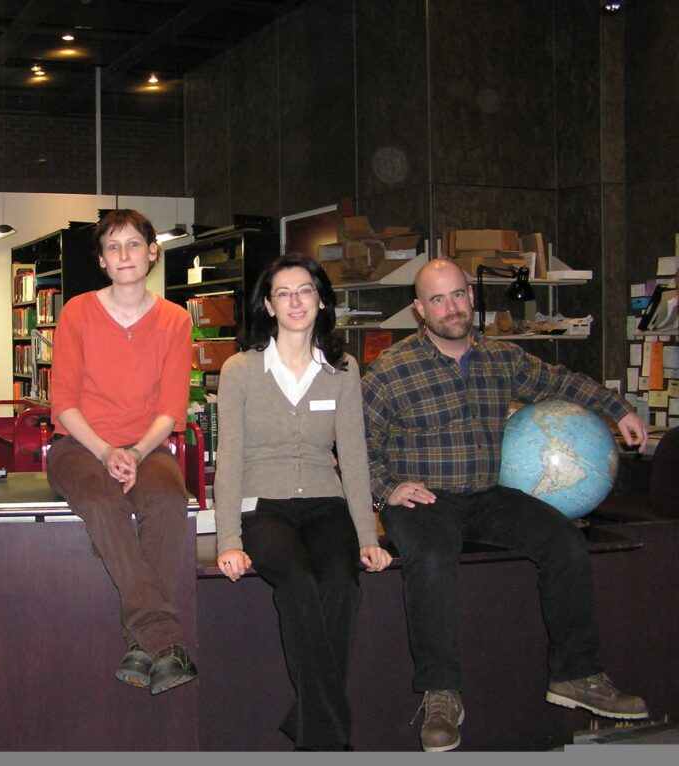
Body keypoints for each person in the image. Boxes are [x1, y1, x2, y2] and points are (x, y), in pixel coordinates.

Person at [360, 258, 649, 752]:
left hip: (486, 495)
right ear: (418, 310)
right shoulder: (391, 370)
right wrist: (387, 488)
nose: (450, 307)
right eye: (437, 299)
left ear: (471, 297)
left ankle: (577, 675)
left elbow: (559, 382)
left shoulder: (501, 358)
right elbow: (356, 442)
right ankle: (441, 694)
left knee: (564, 540)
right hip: (424, 499)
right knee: (430, 558)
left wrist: (616, 408)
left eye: (457, 295)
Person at [214, 252, 392, 751]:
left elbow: (353, 458)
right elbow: (229, 459)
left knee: (341, 586)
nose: (295, 301)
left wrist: (367, 536)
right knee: (295, 583)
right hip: (262, 505)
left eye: (305, 290)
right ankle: (327, 741)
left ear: (320, 300)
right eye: (284, 293)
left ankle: (311, 719)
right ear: (268, 306)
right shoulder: (240, 370)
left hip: (324, 504)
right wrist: (229, 538)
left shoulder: (342, 368)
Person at [45, 209, 197, 695]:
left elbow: (172, 407)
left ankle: (139, 645)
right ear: (102, 261)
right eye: (113, 247)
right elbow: (63, 401)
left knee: (170, 503)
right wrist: (107, 449)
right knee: (105, 503)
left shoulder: (175, 320)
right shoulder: (76, 312)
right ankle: (164, 639)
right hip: (80, 445)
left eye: (134, 244)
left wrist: (132, 450)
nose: (124, 254)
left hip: (147, 447)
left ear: (153, 252)